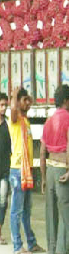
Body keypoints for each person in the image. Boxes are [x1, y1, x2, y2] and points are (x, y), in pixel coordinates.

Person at [40, 85, 69, 254]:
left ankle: (52, 253)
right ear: (66, 100)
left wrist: (43, 177)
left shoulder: (48, 121)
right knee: (66, 214)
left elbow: (42, 151)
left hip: (50, 168)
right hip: (63, 168)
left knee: (51, 213)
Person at [8, 87, 44, 254]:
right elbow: (13, 110)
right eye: (25, 100)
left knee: (26, 210)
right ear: (18, 102)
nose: (28, 103)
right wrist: (14, 96)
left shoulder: (25, 121)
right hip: (17, 170)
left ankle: (31, 242)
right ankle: (17, 246)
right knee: (17, 210)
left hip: (26, 170)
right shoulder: (14, 119)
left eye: (29, 100)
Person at [0, 93, 9, 246]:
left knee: (2, 200)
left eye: (5, 105)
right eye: (1, 105)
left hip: (5, 169)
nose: (3, 108)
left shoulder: (8, 124)